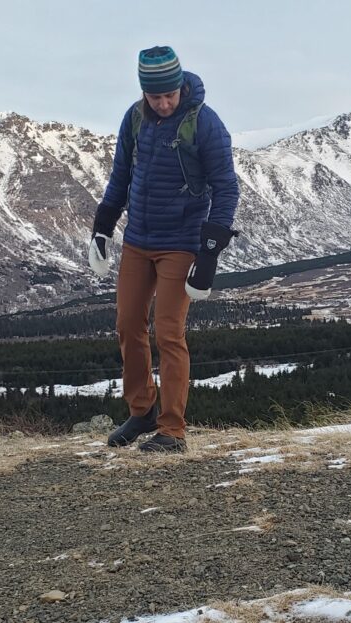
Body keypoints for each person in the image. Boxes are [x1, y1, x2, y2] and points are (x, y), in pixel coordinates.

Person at [88, 45, 240, 453]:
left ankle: (172, 430)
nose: (164, 102)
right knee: (127, 324)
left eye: (169, 94)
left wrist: (209, 250)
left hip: (181, 243)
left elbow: (226, 187)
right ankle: (143, 412)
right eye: (156, 97)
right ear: (144, 93)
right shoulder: (135, 119)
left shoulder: (205, 124)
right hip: (138, 240)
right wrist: (103, 228)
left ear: (179, 86)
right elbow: (121, 176)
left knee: (169, 333)